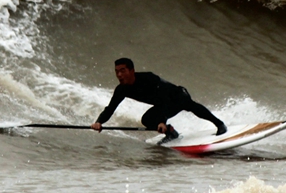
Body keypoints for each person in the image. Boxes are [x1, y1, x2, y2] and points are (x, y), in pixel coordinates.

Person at [91, 58, 227, 139]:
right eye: (117, 71)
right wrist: (99, 122)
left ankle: (220, 124)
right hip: (163, 104)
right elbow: (110, 109)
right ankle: (171, 133)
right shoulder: (122, 89)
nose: (119, 75)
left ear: (132, 71)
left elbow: (164, 97)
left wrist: (162, 120)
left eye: (122, 71)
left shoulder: (148, 78)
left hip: (176, 95)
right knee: (147, 120)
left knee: (190, 105)